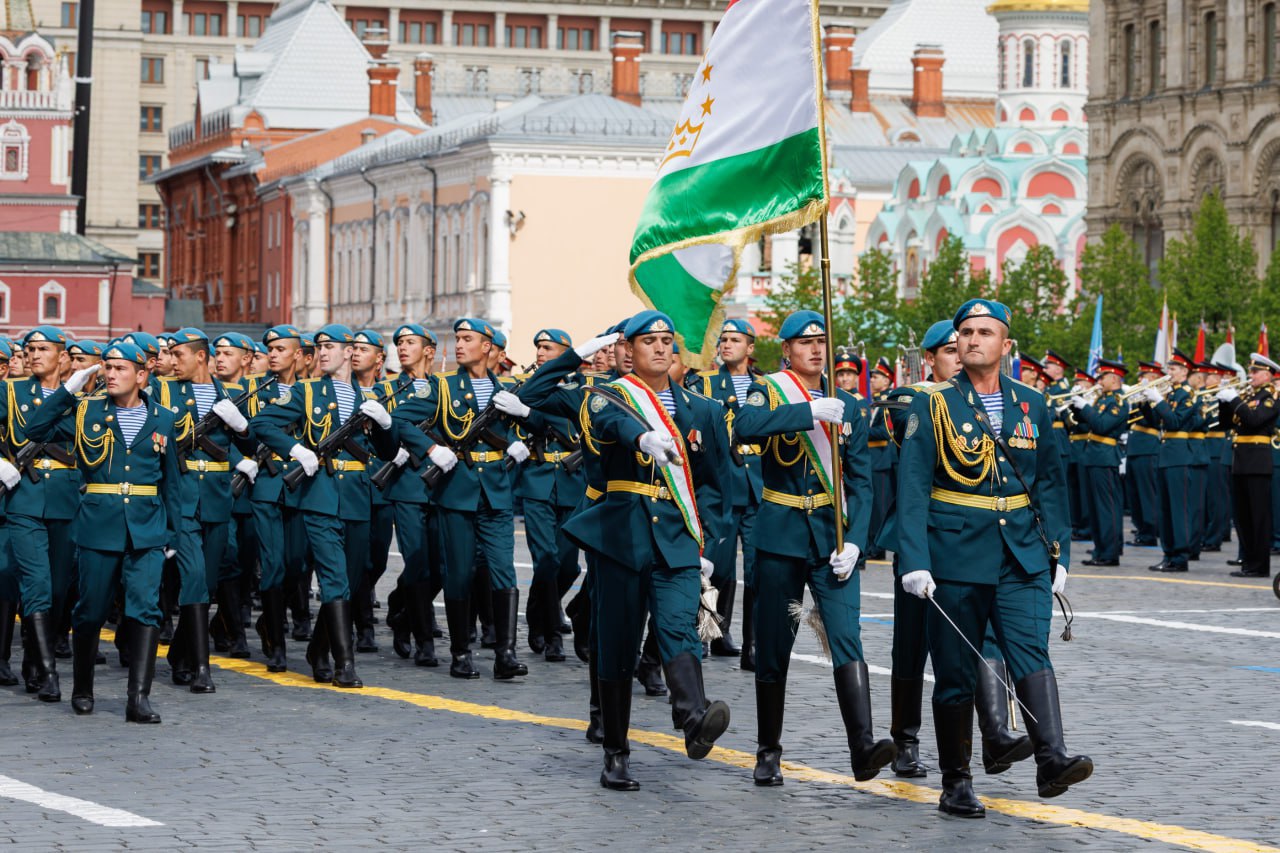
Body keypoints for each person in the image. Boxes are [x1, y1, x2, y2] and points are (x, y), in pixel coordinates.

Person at [897, 299, 1091, 817]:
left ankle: (1051, 758)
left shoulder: (1033, 404)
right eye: (965, 332)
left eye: (985, 332)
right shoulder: (932, 405)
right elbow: (912, 488)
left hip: (1023, 555)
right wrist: (913, 559)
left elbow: (1050, 483)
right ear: (956, 345)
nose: (973, 339)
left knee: (1032, 653)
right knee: (957, 674)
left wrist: (1059, 553)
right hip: (955, 555)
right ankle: (956, 780)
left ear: (1006, 345)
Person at [562, 310, 732, 791]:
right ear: (627, 351)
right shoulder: (606, 396)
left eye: (666, 340)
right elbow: (608, 421)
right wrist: (641, 435)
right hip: (623, 535)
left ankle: (694, 717)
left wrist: (707, 541)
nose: (660, 348)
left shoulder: (702, 410)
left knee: (678, 624)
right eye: (648, 341)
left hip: (678, 537)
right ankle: (615, 750)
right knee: (617, 642)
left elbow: (716, 484)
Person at [732, 309, 894, 788]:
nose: (816, 350)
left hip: (832, 537)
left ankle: (862, 746)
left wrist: (858, 541)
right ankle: (768, 750)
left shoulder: (848, 407)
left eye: (822, 341)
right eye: (804, 343)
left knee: (847, 636)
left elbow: (863, 485)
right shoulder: (770, 390)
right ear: (786, 350)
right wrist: (806, 413)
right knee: (775, 646)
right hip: (781, 535)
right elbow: (746, 425)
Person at [876, 320, 1031, 782]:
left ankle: (996, 733)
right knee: (912, 646)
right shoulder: (915, 398)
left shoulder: (990, 400)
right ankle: (905, 738)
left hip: (974, 543)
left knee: (981, 640)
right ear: (931, 360)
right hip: (922, 540)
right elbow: (907, 427)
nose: (961, 353)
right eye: (948, 349)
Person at [24, 343, 183, 721]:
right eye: (107, 367)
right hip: (98, 526)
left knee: (145, 610)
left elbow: (171, 482)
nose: (110, 374)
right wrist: (68, 390)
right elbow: (33, 428)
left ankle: (138, 698)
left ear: (142, 375)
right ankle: (82, 687)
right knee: (91, 610)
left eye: (120, 368)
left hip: (146, 528)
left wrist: (172, 535)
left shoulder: (162, 418)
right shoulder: (86, 410)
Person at [250, 324, 397, 688]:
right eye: (318, 348)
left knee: (352, 577)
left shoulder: (372, 395)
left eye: (330, 346)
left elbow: (389, 451)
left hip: (358, 495)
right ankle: (344, 664)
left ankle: (319, 649)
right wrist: (296, 449)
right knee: (333, 577)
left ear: (350, 351)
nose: (322, 353)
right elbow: (263, 423)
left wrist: (386, 422)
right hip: (320, 494)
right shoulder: (307, 391)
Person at [386, 318, 530, 681]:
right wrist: (431, 448)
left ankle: (506, 654)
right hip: (456, 493)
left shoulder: (505, 388)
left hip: (495, 493)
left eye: (468, 339)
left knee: (503, 571)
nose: (459, 345)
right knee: (459, 573)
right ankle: (461, 651)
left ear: (488, 346)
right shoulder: (443, 387)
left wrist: (522, 426)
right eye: (457, 339)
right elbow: (399, 420)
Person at [157, 328, 255, 691]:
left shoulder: (228, 395)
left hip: (216, 498)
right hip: (180, 496)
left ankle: (180, 653)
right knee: (195, 577)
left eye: (177, 354)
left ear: (200, 356)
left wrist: (242, 427)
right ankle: (202, 668)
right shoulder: (163, 391)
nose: (170, 361)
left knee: (208, 583)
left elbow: (252, 442)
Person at [492, 329, 584, 662]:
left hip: (573, 482)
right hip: (538, 480)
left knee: (569, 567)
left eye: (548, 348)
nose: (541, 353)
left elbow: (574, 429)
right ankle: (550, 630)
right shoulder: (524, 389)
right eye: (538, 348)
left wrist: (530, 415)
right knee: (546, 558)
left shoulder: (580, 389)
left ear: (566, 353)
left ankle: (538, 612)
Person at [0, 326, 80, 703]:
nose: (33, 354)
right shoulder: (11, 390)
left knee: (61, 586)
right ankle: (49, 674)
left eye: (42, 348)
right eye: (29, 348)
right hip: (25, 499)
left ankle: (34, 660)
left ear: (62, 356)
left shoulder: (83, 397)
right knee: (36, 582)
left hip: (67, 499)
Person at [689, 318, 763, 665]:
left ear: (750, 348)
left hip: (758, 486)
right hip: (723, 483)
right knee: (717, 567)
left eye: (736, 340)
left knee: (757, 568)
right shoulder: (705, 383)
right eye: (724, 339)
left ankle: (753, 644)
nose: (727, 344)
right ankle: (710, 630)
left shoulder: (768, 386)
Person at [380, 324, 444, 667]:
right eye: (399, 344)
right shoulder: (389, 390)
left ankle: (401, 611)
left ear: (429, 350)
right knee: (418, 562)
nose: (402, 348)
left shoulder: (444, 388)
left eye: (410, 343)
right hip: (406, 485)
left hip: (441, 486)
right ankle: (423, 640)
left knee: (442, 565)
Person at [1217, 354, 1280, 578]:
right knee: (1242, 517)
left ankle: (1259, 566)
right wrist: (1223, 401)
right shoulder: (1248, 396)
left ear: (1267, 375)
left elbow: (1254, 420)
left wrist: (1234, 400)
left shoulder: (1271, 396)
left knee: (1258, 517)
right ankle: (1249, 563)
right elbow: (1225, 424)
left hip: (1257, 462)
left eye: (1255, 372)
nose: (1250, 375)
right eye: (1250, 371)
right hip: (1241, 461)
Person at [1138, 349, 1196, 572]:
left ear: (1183, 371)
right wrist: (1145, 402)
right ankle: (1168, 553)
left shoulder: (1187, 395)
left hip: (1179, 455)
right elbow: (1155, 422)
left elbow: (1174, 422)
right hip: (1166, 454)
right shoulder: (1171, 394)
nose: (1168, 372)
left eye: (1172, 369)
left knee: (1177, 508)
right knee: (1164, 509)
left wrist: (1159, 401)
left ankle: (1180, 556)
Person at [1071, 360, 1130, 567]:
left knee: (1107, 508)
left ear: (1114, 378)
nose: (1099, 381)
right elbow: (1085, 423)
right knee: (1095, 508)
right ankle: (1100, 549)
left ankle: (1110, 552)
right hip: (1093, 456)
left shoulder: (1119, 402)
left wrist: (1085, 407)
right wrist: (1077, 406)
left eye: (1103, 377)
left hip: (1105, 457)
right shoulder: (1102, 400)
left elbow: (1102, 425)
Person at [1126, 362, 1165, 547]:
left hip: (1148, 448)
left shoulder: (1159, 396)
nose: (1142, 378)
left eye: (1146, 375)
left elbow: (1155, 421)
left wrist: (1145, 402)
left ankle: (1150, 530)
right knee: (1135, 494)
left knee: (1147, 493)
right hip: (1134, 448)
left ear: (1155, 377)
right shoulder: (1143, 394)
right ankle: (1141, 528)